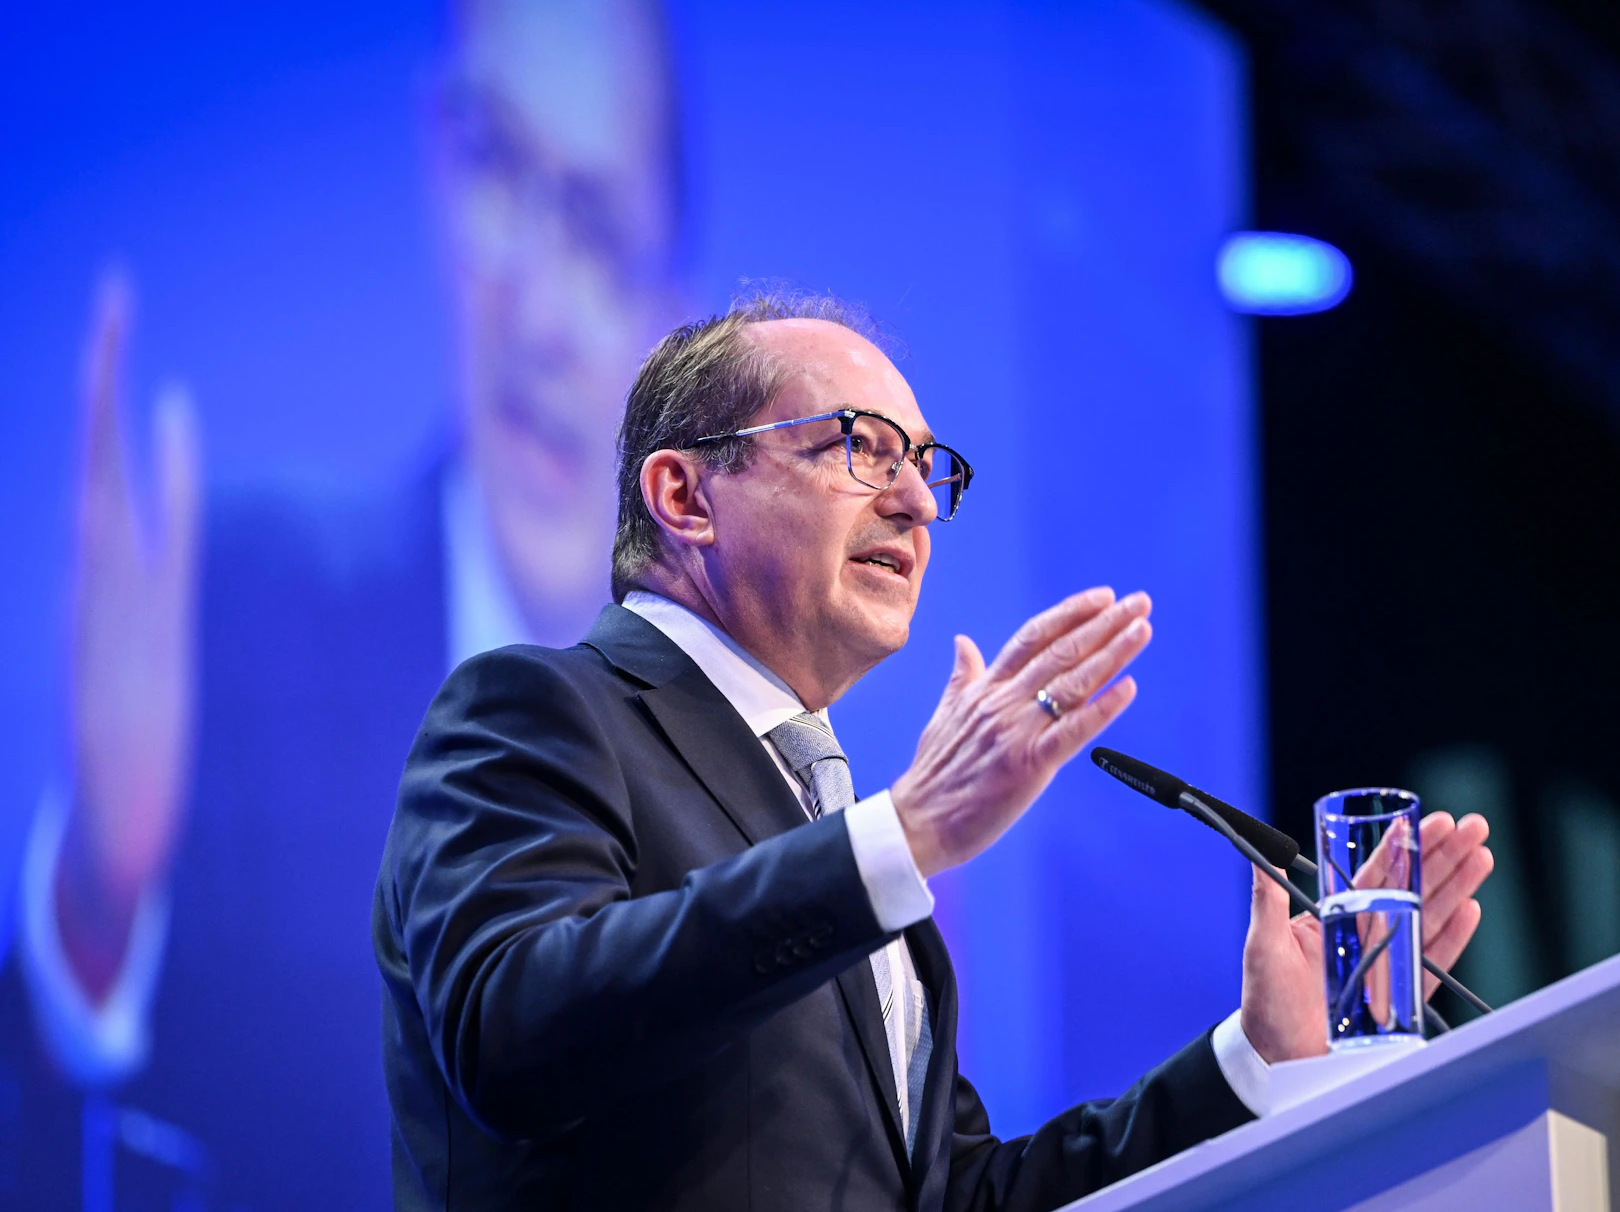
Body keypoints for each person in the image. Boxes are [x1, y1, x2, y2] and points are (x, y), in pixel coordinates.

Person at [374, 294, 1494, 1209]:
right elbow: (509, 1029)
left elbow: (963, 1199)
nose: (915, 501)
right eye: (857, 448)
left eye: (923, 464)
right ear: (685, 495)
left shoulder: (834, 837)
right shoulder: (536, 707)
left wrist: (1253, 1057)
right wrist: (899, 835)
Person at [3, 0, 683, 1206]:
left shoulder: (746, 773)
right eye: (495, 171)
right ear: (436, 167)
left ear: (677, 311)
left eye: (590, 222)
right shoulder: (244, 625)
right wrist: (101, 894)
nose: (532, 306)